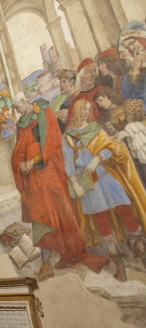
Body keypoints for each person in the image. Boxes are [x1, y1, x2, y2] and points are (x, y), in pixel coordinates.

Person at [11, 93, 108, 281]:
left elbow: (54, 138)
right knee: (40, 216)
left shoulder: (43, 111)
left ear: (25, 102)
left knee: (61, 213)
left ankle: (68, 254)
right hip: (35, 178)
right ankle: (46, 263)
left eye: (18, 107)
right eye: (16, 109)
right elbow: (19, 148)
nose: (18, 111)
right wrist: (21, 162)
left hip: (51, 170)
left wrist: (35, 158)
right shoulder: (22, 124)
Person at [63, 99, 146, 280]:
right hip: (88, 184)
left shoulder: (95, 128)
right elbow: (68, 163)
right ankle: (120, 267)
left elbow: (112, 147)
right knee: (103, 225)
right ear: (76, 111)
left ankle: (143, 258)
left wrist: (97, 158)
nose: (85, 113)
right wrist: (75, 183)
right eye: (82, 110)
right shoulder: (68, 136)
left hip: (105, 177)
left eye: (87, 110)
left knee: (126, 214)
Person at [94, 86, 146, 187]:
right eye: (98, 102)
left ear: (109, 96)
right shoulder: (102, 120)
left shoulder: (133, 104)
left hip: (141, 146)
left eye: (101, 100)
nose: (100, 104)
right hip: (124, 153)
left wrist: (129, 131)